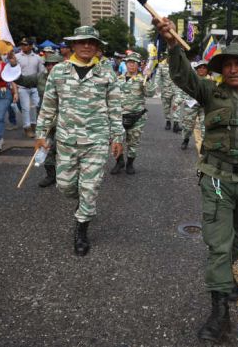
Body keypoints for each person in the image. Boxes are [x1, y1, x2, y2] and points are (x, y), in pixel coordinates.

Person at [154, 17, 238, 343]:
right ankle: (219, 314)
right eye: (227, 64)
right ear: (220, 68)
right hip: (216, 177)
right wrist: (172, 43)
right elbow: (182, 76)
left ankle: (226, 275)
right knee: (218, 244)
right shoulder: (209, 91)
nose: (233, 69)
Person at [34, 26, 122, 257]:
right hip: (66, 140)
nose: (87, 46)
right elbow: (49, 106)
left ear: (97, 47)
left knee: (90, 188)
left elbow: (115, 108)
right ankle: (82, 202)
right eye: (82, 42)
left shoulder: (107, 74)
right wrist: (41, 134)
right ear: (73, 45)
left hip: (97, 140)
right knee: (64, 185)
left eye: (92, 43)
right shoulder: (59, 72)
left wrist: (118, 137)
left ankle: (81, 229)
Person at [110, 52, 156, 175]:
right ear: (126, 64)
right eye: (129, 62)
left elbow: (150, 93)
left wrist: (148, 79)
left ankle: (130, 163)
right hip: (118, 116)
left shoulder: (142, 79)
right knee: (116, 140)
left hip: (137, 117)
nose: (131, 65)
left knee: (133, 142)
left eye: (134, 63)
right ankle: (119, 161)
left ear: (139, 65)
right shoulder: (118, 79)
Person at [35, 51, 63, 188]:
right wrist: (13, 66)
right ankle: (50, 175)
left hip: (63, 120)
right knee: (46, 147)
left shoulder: (69, 78)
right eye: (48, 64)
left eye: (54, 64)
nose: (50, 67)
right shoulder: (41, 77)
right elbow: (23, 80)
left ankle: (64, 175)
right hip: (46, 118)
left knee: (60, 147)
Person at [15, 37, 44, 138]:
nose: (23, 46)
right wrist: (14, 90)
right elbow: (14, 73)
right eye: (22, 44)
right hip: (22, 87)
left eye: (25, 44)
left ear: (31, 46)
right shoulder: (16, 57)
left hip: (35, 86)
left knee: (36, 106)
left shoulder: (37, 57)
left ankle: (34, 125)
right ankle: (27, 128)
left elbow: (41, 72)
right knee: (25, 108)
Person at [180, 60, 209, 151]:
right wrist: (179, 101)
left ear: (207, 70)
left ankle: (204, 145)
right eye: (199, 67)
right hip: (191, 105)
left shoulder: (211, 81)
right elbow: (184, 90)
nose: (201, 69)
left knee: (205, 126)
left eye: (204, 68)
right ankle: (186, 139)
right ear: (196, 69)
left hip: (204, 106)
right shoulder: (191, 79)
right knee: (188, 126)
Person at [154, 56, 177, 131]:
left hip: (176, 90)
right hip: (166, 89)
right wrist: (156, 86)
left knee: (176, 106)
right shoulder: (161, 65)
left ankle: (176, 123)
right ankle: (168, 121)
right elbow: (157, 76)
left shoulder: (178, 64)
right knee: (166, 107)